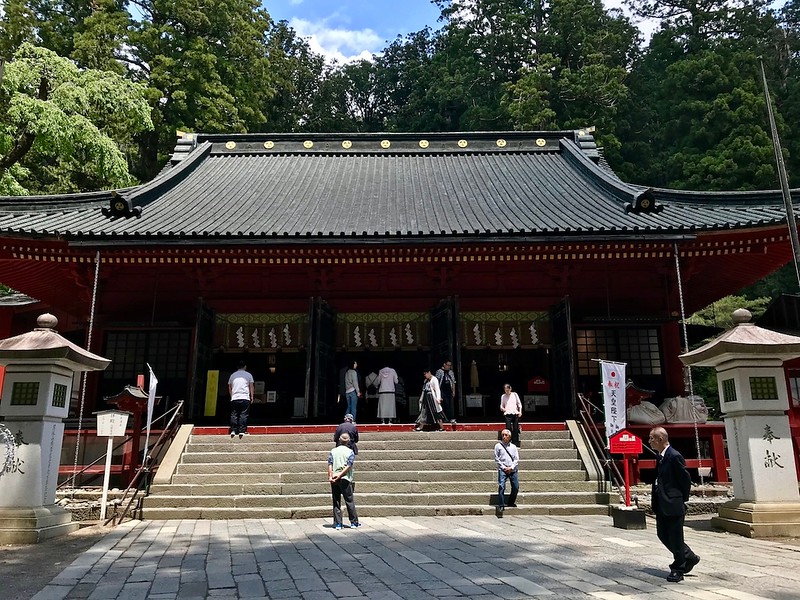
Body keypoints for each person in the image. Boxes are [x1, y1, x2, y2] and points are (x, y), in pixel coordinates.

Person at [649, 426, 700, 582]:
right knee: (662, 534)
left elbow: (685, 480)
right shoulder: (661, 456)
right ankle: (689, 557)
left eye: (651, 438)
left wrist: (679, 498)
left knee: (675, 537)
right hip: (661, 502)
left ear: (660, 439)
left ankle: (678, 568)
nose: (649, 441)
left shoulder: (674, 456)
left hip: (673, 502)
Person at [328, 432, 361, 530]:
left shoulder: (333, 451)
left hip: (334, 478)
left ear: (339, 440)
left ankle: (338, 523)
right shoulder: (350, 452)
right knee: (349, 500)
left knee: (336, 501)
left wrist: (331, 476)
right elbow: (348, 466)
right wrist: (340, 475)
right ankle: (353, 522)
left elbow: (330, 464)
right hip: (345, 478)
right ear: (348, 441)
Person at [494, 428, 519, 518]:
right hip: (503, 469)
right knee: (501, 486)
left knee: (516, 487)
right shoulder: (498, 446)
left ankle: (511, 502)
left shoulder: (513, 447)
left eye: (506, 435)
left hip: (512, 469)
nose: (504, 437)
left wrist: (511, 467)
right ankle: (501, 505)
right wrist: (504, 468)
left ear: (509, 437)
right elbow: (497, 458)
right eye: (503, 435)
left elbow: (516, 459)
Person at [228, 361, 254, 439]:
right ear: (245, 366)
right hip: (245, 397)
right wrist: (252, 396)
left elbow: (229, 386)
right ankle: (241, 431)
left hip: (235, 397)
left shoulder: (233, 375)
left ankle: (233, 430)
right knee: (244, 414)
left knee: (234, 414)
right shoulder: (248, 375)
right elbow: (251, 386)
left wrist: (231, 396)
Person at [435, 360, 458, 426]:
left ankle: (449, 417)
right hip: (442, 390)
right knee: (445, 404)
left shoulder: (450, 372)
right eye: (448, 365)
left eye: (450, 365)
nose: (449, 367)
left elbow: (453, 381)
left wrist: (453, 391)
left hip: (448, 389)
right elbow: (437, 381)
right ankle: (448, 417)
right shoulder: (439, 371)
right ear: (444, 364)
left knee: (449, 404)